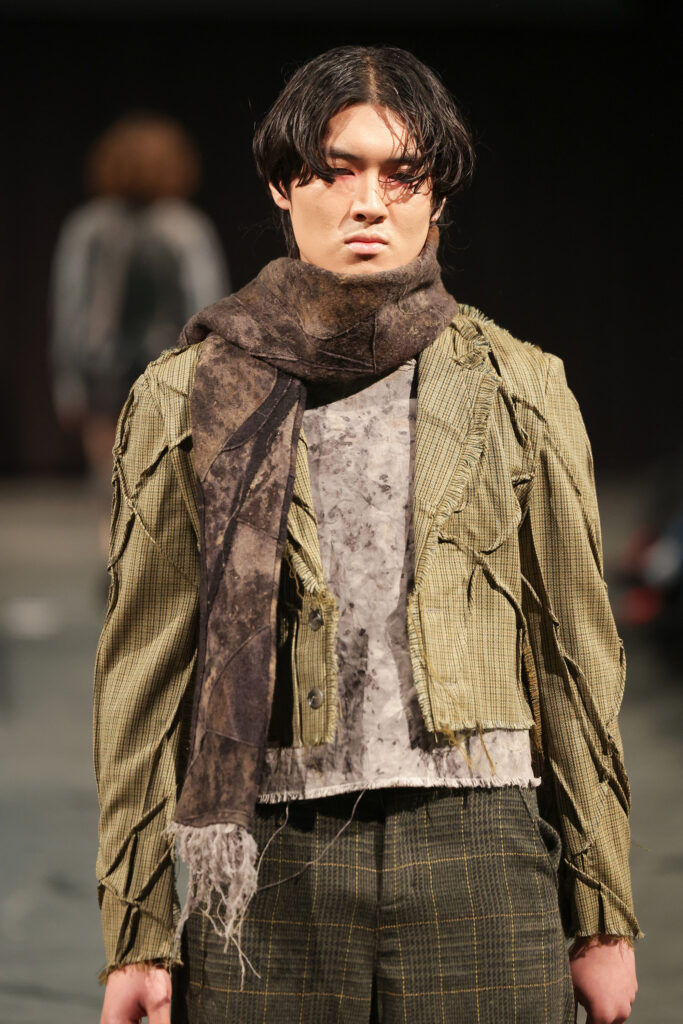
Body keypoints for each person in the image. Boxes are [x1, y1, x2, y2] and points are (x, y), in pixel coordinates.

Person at [95, 46, 640, 1024]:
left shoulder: (517, 387)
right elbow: (144, 674)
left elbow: (571, 657)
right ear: (282, 184)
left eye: (400, 174)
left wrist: (600, 916)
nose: (367, 203)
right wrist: (135, 932)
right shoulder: (184, 398)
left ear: (437, 196)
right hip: (265, 864)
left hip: (480, 850)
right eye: (335, 170)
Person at [50, 112, 230, 550]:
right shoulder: (183, 227)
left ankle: (124, 560)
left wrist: (67, 380)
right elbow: (208, 307)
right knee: (151, 477)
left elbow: (69, 310)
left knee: (116, 477)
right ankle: (138, 563)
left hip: (115, 371)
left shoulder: (94, 226)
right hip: (157, 371)